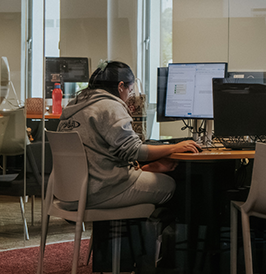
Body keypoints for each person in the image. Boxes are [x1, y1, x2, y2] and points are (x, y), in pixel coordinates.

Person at [55, 60, 200, 209]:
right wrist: (174, 148)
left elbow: (101, 154)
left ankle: (114, 230)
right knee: (169, 184)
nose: (129, 95)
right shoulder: (110, 106)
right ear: (120, 86)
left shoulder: (73, 105)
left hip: (68, 193)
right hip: (98, 192)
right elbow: (134, 151)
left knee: (151, 175)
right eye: (130, 90)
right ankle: (156, 232)